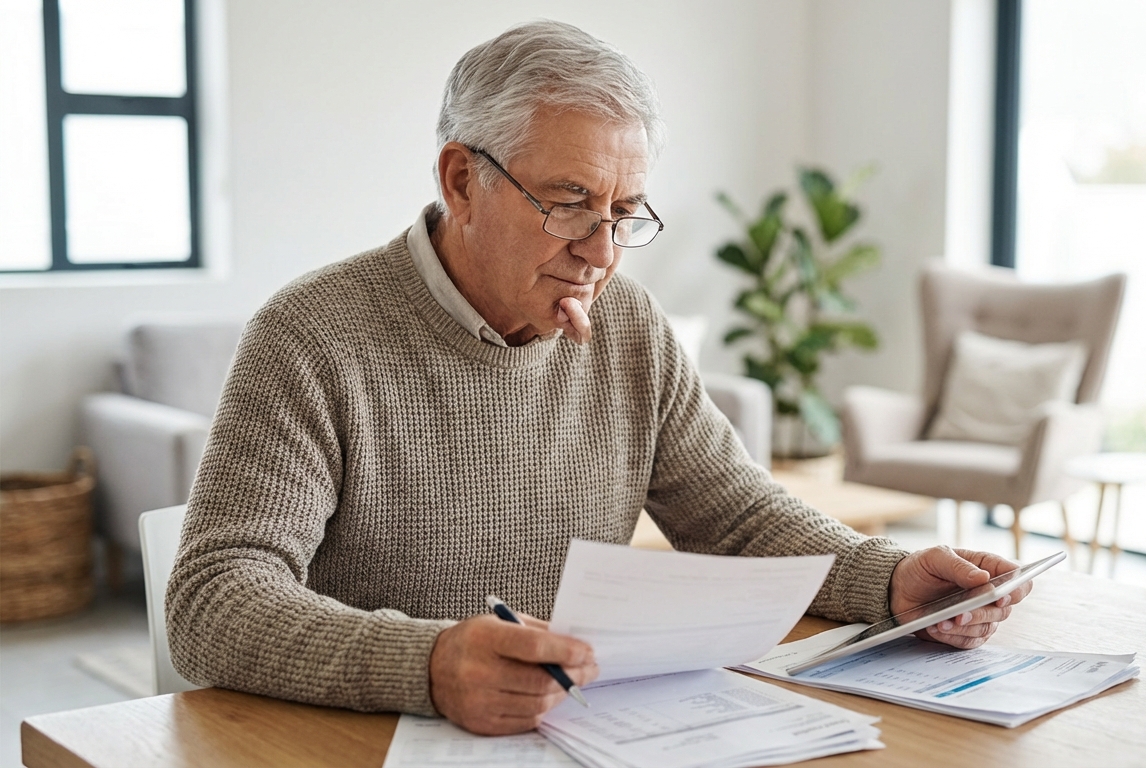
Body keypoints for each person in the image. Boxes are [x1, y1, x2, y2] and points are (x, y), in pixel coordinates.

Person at [166, 19, 1032, 737]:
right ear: (462, 181)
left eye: (624, 212)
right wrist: (425, 664)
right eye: (569, 202)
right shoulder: (312, 335)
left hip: (577, 733)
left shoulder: (629, 326)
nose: (602, 252)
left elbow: (732, 514)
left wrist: (885, 579)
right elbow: (213, 602)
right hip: (363, 741)